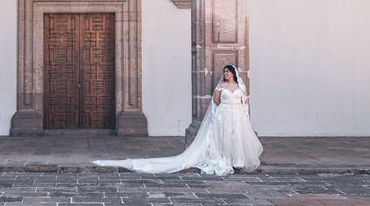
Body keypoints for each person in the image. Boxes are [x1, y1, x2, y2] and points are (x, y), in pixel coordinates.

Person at [93, 64, 263, 176]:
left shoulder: (241, 87)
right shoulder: (221, 86)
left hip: (237, 115)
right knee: (224, 139)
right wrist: (224, 109)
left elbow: (244, 102)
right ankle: (225, 161)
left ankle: (237, 161)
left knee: (237, 138)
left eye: (228, 71)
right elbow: (216, 101)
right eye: (224, 72)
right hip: (224, 115)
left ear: (233, 73)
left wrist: (242, 115)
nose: (225, 74)